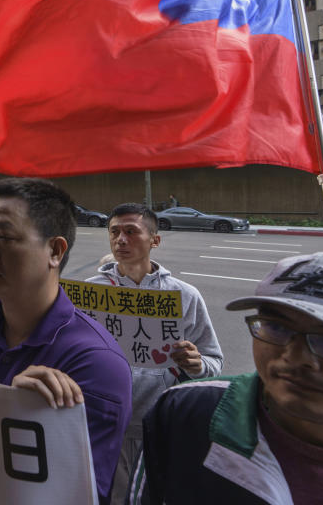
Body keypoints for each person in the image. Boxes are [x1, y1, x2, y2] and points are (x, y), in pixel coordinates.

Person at [0, 179, 132, 504]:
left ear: (55, 251)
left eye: (6, 237)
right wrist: (8, 408)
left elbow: (79, 494)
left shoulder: (98, 363)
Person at [132, 251, 323, 505]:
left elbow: (210, 358)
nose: (296, 357)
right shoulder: (186, 410)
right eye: (277, 327)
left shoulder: (185, 294)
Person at [87, 202, 223, 503]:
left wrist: (196, 364)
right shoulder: (88, 294)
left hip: (161, 424)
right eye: (114, 232)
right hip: (105, 422)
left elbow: (214, 361)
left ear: (155, 240)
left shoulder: (184, 295)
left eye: (131, 232)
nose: (121, 240)